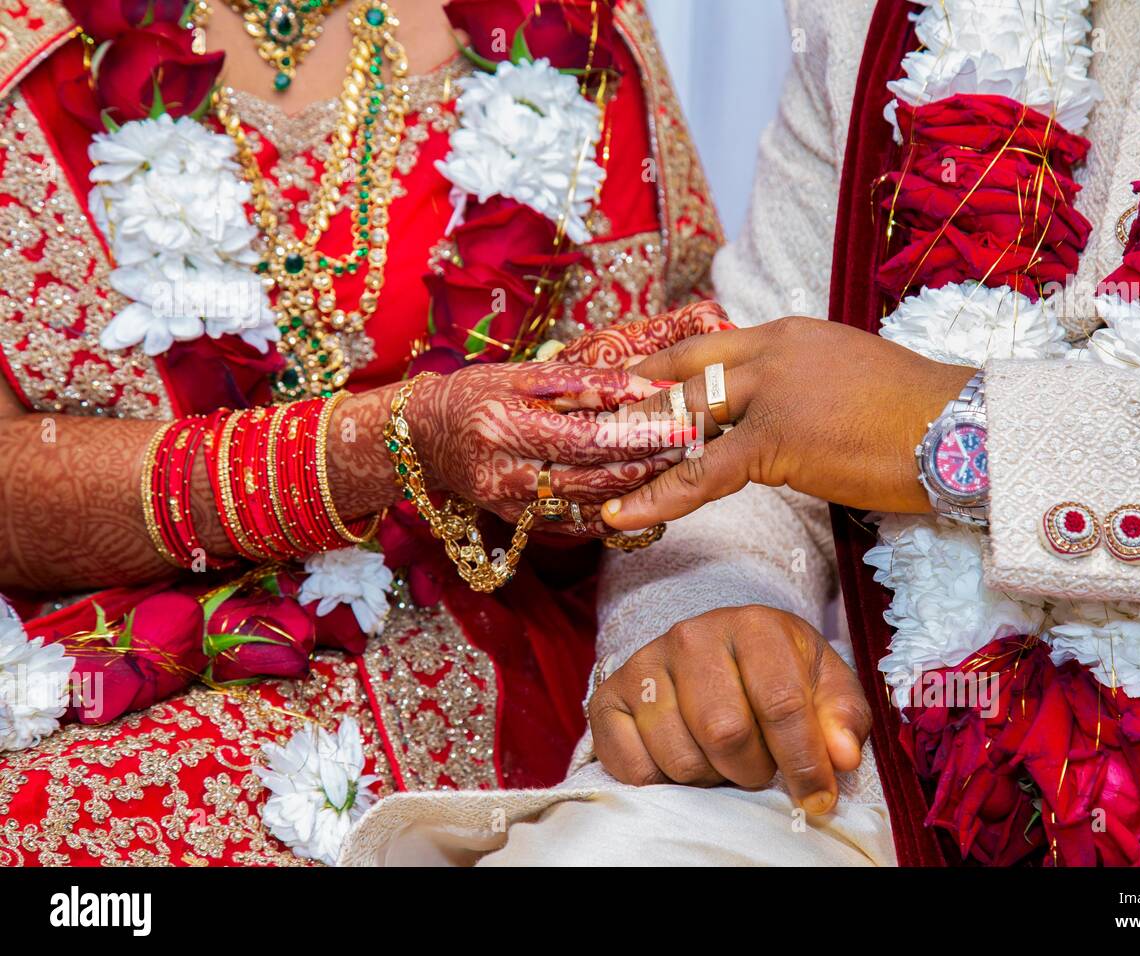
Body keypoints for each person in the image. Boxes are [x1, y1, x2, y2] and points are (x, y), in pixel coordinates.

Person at [344, 0, 1140, 866]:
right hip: (890, 772)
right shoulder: (865, 19)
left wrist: (961, 436)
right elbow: (758, 398)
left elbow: (853, 409)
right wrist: (713, 613)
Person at [0, 0, 731, 866]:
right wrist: (380, 445)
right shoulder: (29, 44)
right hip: (92, 639)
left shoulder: (571, 27)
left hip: (481, 637)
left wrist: (586, 435)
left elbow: (679, 434)